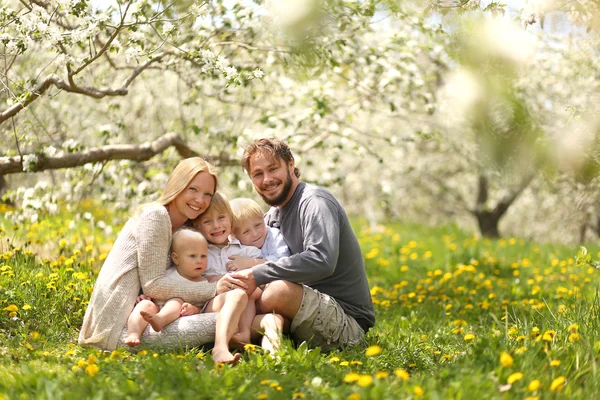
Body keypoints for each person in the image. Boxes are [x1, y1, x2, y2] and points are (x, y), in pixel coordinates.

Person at [78, 157, 247, 352]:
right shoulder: (156, 217)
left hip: (148, 314)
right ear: (178, 185)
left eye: (207, 194)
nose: (200, 200)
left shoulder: (183, 230)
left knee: (233, 312)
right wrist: (213, 289)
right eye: (193, 189)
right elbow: (154, 285)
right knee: (231, 320)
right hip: (118, 330)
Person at [233, 138, 376, 351]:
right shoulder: (273, 216)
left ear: (291, 165)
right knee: (241, 293)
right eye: (258, 174)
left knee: (276, 292)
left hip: (346, 322)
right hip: (303, 309)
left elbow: (321, 260)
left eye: (273, 169)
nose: (267, 179)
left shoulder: (315, 202)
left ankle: (244, 331)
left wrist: (257, 273)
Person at [124, 228, 247, 364]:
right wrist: (143, 298)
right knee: (144, 305)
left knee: (177, 302)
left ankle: (220, 347)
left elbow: (201, 307)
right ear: (176, 258)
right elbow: (153, 289)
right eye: (193, 256)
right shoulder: (166, 275)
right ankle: (133, 334)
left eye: (203, 256)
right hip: (155, 310)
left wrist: (193, 309)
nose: (199, 261)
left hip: (174, 314)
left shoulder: (203, 281)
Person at [192, 192, 262, 347]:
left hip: (244, 303)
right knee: (239, 291)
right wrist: (215, 280)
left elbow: (268, 265)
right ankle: (233, 337)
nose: (216, 225)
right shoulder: (202, 252)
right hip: (214, 302)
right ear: (197, 226)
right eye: (208, 221)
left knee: (246, 288)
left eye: (221, 218)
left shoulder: (243, 249)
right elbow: (193, 278)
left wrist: (250, 263)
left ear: (231, 219)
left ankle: (244, 334)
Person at [225, 197, 291, 272]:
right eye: (246, 232)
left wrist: (250, 263)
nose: (255, 234)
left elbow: (283, 261)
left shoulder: (274, 235)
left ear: (263, 219)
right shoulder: (236, 248)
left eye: (258, 225)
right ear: (234, 236)